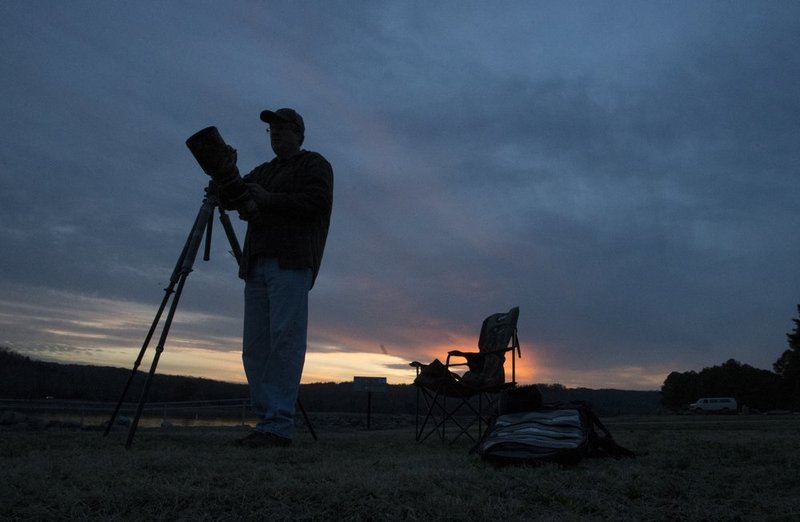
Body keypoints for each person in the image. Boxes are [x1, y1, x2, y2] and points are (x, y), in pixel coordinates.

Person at [231, 108, 333, 448]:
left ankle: (278, 424)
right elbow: (236, 193)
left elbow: (317, 202)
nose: (275, 133)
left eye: (282, 128)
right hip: (257, 263)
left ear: (299, 133)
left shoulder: (314, 165)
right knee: (255, 346)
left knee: (284, 340)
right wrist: (225, 176)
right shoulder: (264, 171)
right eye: (271, 129)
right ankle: (267, 420)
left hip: (291, 262)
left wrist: (269, 199)